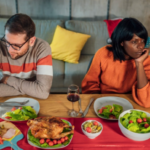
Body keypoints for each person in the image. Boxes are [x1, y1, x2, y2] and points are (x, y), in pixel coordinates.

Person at [81, 18, 150, 108]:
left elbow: (146, 101)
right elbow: (89, 85)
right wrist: (99, 103)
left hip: (131, 102)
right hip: (103, 101)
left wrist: (139, 63)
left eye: (142, 41)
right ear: (122, 42)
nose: (140, 47)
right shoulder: (103, 54)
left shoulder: (145, 60)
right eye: (134, 42)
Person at [0, 13, 53, 99]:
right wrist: (31, 90)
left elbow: (43, 92)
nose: (10, 50)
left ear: (31, 41)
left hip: (34, 100)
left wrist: (9, 79)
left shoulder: (42, 48)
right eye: (7, 42)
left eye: (16, 45)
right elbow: (39, 91)